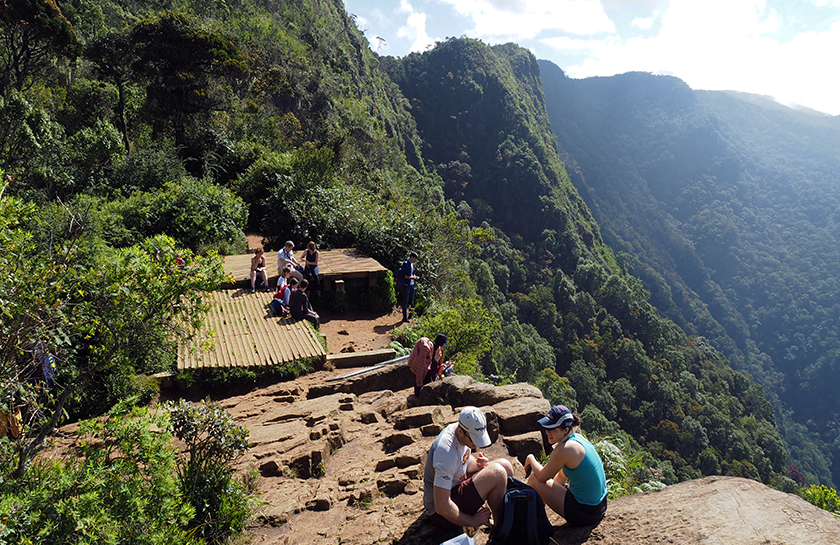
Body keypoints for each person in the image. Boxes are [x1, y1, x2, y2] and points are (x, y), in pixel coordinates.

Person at [423, 406, 514, 532]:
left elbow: (460, 462)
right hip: (440, 515)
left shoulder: (463, 430)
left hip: (455, 486)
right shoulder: (446, 451)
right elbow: (442, 507)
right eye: (473, 440)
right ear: (461, 431)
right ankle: (499, 531)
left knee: (506, 466)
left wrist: (478, 465)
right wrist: (472, 520)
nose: (476, 444)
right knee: (498, 474)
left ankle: (505, 518)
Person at [524, 405, 607, 527]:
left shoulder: (564, 449)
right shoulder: (577, 438)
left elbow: (541, 477)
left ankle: (522, 519)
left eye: (553, 429)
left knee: (533, 479)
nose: (548, 432)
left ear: (566, 430)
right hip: (599, 506)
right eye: (547, 427)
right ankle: (532, 514)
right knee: (545, 482)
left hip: (585, 512)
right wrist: (548, 494)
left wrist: (530, 458)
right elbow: (563, 475)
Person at [408, 333, 447, 397]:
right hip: (423, 380)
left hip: (418, 372)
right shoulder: (429, 352)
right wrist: (436, 360)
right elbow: (430, 372)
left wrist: (441, 365)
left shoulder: (432, 350)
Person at [398, 251, 419, 322]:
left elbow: (411, 274)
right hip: (407, 285)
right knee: (405, 301)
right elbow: (403, 275)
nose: (415, 260)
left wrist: (414, 277)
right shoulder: (405, 264)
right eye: (415, 258)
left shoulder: (412, 264)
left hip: (412, 284)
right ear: (412, 257)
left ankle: (411, 314)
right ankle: (404, 317)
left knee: (411, 301)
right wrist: (412, 278)